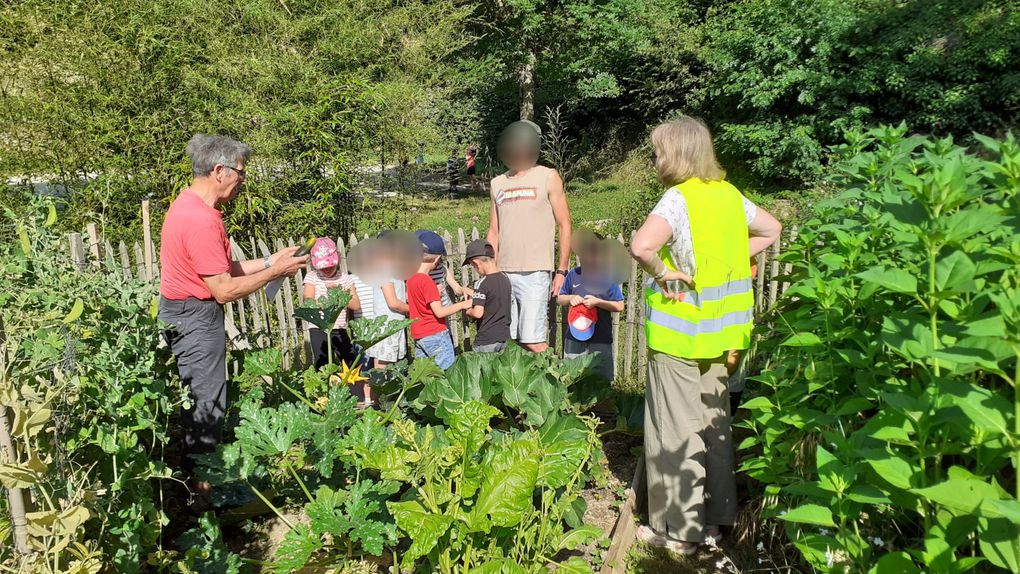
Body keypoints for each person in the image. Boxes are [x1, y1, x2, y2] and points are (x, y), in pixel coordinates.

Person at [629, 117, 782, 554]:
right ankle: (715, 522)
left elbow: (641, 247)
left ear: (675, 153)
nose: (655, 159)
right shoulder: (731, 197)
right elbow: (772, 230)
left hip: (680, 338)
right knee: (715, 427)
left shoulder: (678, 199)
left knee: (674, 430)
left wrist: (665, 271)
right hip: (722, 336)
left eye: (658, 151)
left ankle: (679, 533)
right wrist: (732, 256)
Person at [157, 134, 308, 497]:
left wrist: (273, 260)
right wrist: (274, 274)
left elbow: (220, 268)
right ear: (219, 171)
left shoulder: (188, 206)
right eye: (241, 174)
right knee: (207, 402)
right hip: (195, 316)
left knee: (197, 399)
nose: (243, 181)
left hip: (183, 311)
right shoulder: (201, 220)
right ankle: (202, 497)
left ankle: (191, 482)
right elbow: (222, 289)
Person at [486, 121, 572, 353]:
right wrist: (489, 271)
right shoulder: (497, 183)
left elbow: (565, 224)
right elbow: (494, 231)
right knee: (509, 338)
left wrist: (561, 271)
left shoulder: (547, 176)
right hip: (503, 273)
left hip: (535, 272)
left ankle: (553, 385)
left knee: (533, 340)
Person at [556, 235, 625, 380]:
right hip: (574, 337)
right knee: (571, 378)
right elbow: (560, 299)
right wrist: (570, 298)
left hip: (601, 337)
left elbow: (619, 305)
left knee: (601, 381)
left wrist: (597, 302)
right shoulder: (573, 275)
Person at [408, 230, 473, 369]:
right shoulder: (428, 283)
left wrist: (463, 290)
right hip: (435, 332)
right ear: (437, 259)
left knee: (425, 375)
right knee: (446, 373)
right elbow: (440, 312)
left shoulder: (411, 278)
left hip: (420, 334)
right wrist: (463, 304)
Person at [302, 238, 360, 368]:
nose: (327, 269)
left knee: (350, 364)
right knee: (322, 364)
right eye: (323, 267)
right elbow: (307, 299)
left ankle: (354, 388)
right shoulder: (312, 277)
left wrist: (339, 294)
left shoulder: (345, 278)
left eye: (330, 265)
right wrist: (323, 304)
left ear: (338, 259)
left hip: (339, 328)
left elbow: (356, 305)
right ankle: (326, 386)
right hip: (319, 327)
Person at [461, 239, 511, 353]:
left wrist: (468, 310)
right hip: (505, 337)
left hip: (487, 340)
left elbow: (478, 313)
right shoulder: (505, 279)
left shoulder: (482, 283)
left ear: (476, 263)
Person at [418, 228, 471, 308]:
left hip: (444, 310)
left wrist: (463, 290)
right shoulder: (417, 272)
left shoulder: (442, 269)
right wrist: (433, 292)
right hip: (428, 311)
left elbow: (457, 288)